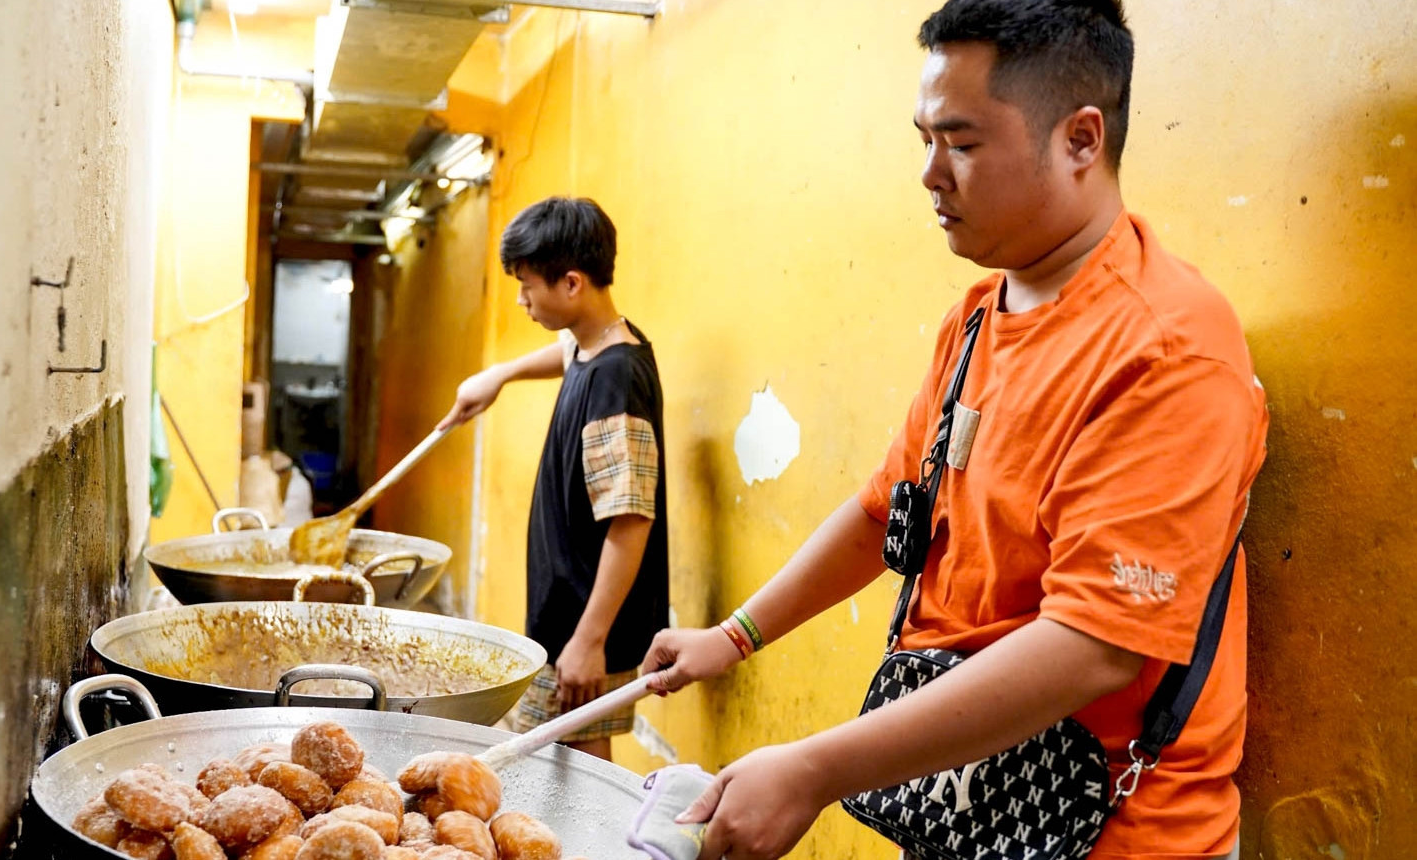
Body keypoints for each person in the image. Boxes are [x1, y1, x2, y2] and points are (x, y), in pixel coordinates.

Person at [640, 1, 1267, 858]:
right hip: (967, 801)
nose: (931, 174)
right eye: (925, 139)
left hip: (1107, 832)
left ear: (1082, 139)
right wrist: (734, 637)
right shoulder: (979, 315)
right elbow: (886, 512)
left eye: (963, 143)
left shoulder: (1168, 349)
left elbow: (1094, 648)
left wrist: (817, 769)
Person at [439, 196, 669, 762]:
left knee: (573, 767)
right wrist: (498, 375)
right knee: (558, 760)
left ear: (571, 284)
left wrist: (588, 642)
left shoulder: (616, 382)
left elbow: (631, 522)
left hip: (585, 629)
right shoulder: (598, 345)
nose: (521, 300)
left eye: (527, 287)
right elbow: (567, 351)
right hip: (566, 620)